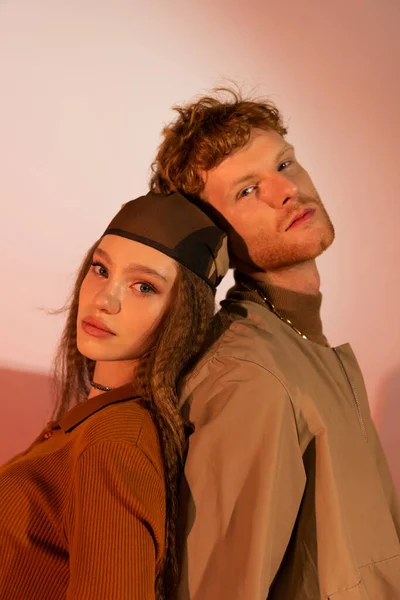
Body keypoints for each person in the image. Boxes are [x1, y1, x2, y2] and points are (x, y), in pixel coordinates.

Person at [150, 90, 400, 599]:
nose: (286, 189)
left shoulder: (310, 347)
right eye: (247, 191)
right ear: (213, 236)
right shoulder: (247, 378)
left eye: (285, 163)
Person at [0, 192, 229, 600]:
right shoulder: (97, 422)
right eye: (101, 269)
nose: (104, 300)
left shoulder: (114, 444)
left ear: (184, 314)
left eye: (143, 286)